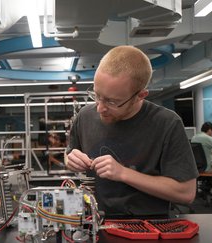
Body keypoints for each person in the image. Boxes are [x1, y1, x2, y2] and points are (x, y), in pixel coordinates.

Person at [66, 45, 199, 218]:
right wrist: (70, 159)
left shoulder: (166, 123)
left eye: (112, 102)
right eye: (97, 95)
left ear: (140, 95)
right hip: (95, 222)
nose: (100, 108)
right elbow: (68, 154)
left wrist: (123, 173)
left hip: (148, 226)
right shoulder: (85, 116)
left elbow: (186, 193)